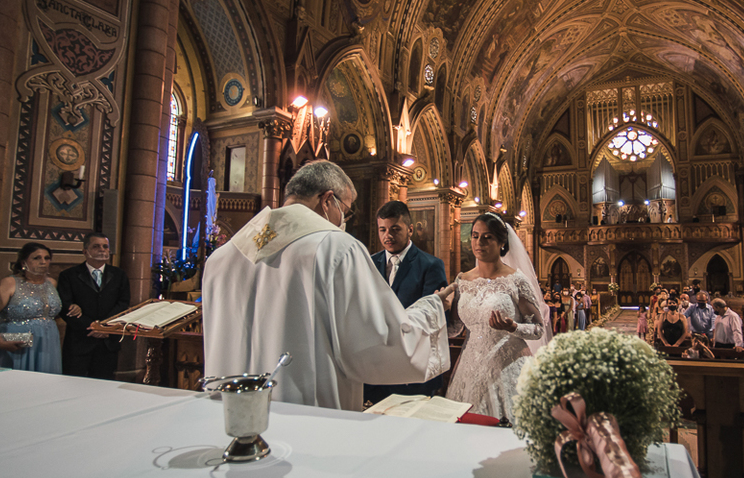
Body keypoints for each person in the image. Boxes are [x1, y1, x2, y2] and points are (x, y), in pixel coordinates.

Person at [203, 161, 454, 411]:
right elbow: (381, 343)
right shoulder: (338, 249)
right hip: (307, 417)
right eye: (345, 210)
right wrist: (432, 306)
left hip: (230, 416)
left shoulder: (223, 256)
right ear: (327, 200)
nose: (344, 219)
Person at [446, 212, 548, 421]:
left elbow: (538, 329)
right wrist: (440, 310)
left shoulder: (515, 280)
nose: (479, 243)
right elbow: (455, 329)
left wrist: (514, 328)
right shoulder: (462, 280)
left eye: (487, 237)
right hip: (470, 366)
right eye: (475, 236)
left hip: (508, 364)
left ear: (502, 242)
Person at [364, 201, 449, 402]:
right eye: (382, 229)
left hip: (411, 368)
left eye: (395, 229)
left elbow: (431, 318)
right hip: (376, 367)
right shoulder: (368, 263)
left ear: (410, 229)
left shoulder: (430, 265)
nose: (388, 236)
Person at [56, 233, 130, 380]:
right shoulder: (69, 275)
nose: (102, 250)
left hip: (108, 342)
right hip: (80, 340)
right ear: (85, 251)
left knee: (103, 385)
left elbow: (123, 304)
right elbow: (65, 307)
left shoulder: (119, 275)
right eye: (96, 246)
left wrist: (104, 327)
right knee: (73, 384)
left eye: (105, 247)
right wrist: (91, 326)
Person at [0, 243, 63, 373]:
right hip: (15, 343)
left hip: (47, 342)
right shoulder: (10, 283)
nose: (43, 262)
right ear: (24, 261)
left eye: (46, 258)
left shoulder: (51, 283)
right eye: (36, 258)